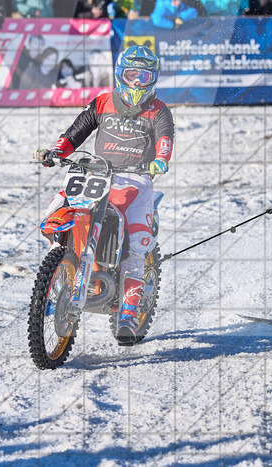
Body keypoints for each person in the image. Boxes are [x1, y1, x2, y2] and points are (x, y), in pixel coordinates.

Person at [34, 44, 174, 344]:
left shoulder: (158, 110)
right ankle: (60, 267)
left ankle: (128, 313)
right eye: (131, 75)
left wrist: (161, 158)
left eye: (143, 76)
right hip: (95, 173)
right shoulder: (102, 102)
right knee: (59, 204)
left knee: (137, 244)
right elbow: (75, 133)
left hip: (136, 180)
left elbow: (165, 138)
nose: (136, 82)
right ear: (120, 75)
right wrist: (57, 151)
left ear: (153, 79)